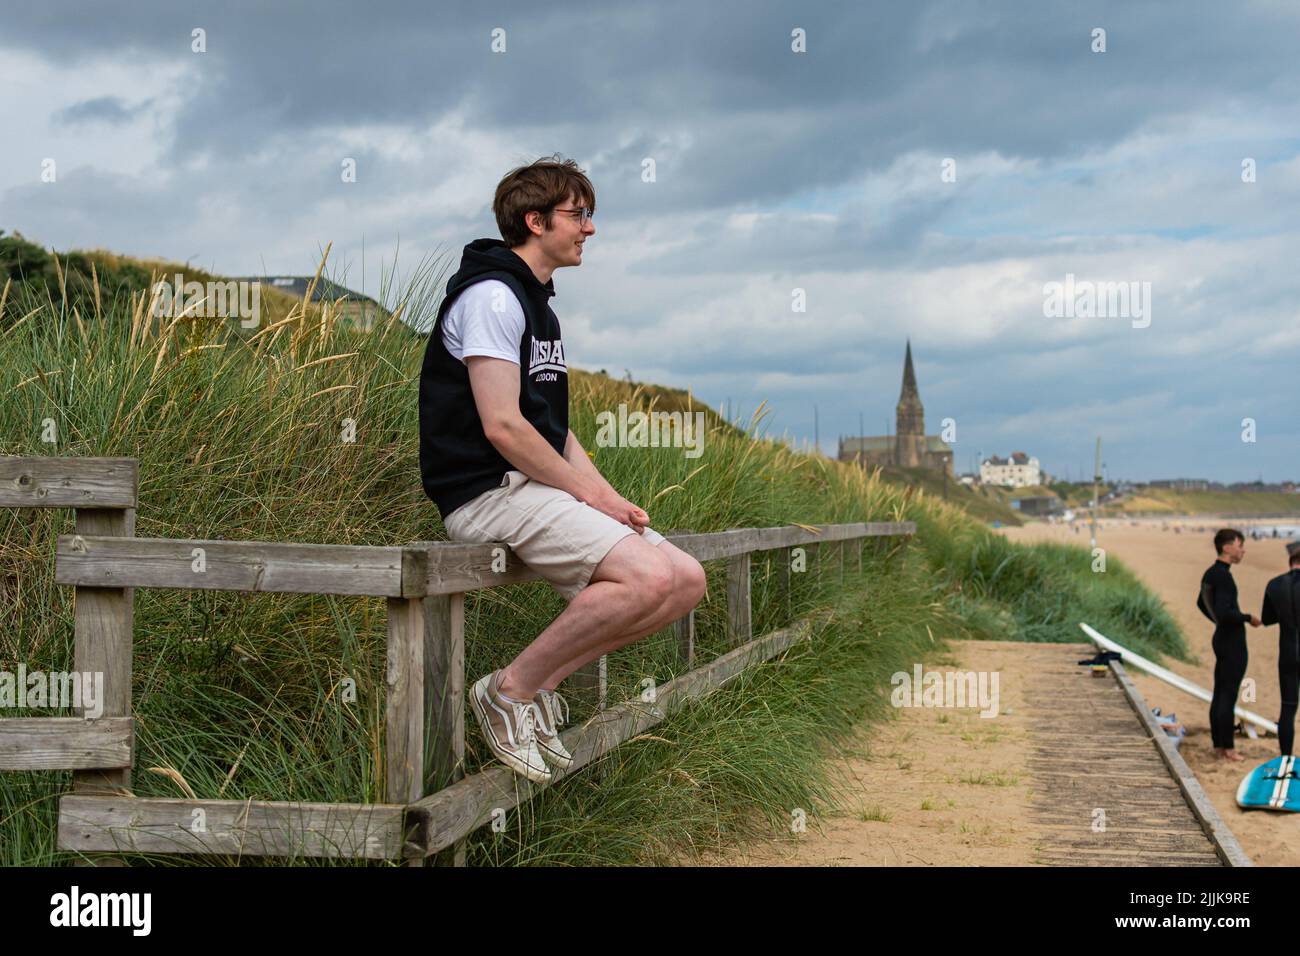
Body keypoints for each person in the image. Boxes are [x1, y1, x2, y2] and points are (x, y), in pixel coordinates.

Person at [418, 155, 707, 784]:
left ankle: (537, 690)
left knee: (684, 579)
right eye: (578, 215)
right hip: (485, 490)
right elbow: (503, 425)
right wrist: (585, 497)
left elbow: (550, 426)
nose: (590, 229)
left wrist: (607, 496)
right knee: (643, 578)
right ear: (535, 220)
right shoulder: (493, 297)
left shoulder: (538, 306)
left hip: (531, 487)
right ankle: (507, 693)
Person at [1196, 528, 1262, 761]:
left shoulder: (1212, 573)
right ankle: (1228, 748)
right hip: (1231, 640)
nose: (1243, 550)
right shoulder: (1222, 576)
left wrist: (1217, 620)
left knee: (1221, 692)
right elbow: (1225, 612)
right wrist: (1247, 617)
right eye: (1239, 545)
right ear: (1227, 547)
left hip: (1222, 637)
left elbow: (1201, 603)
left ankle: (1219, 745)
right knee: (1228, 694)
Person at [1262, 541, 1300, 755]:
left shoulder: (1274, 584)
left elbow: (1267, 618)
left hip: (1287, 651)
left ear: (1291, 561)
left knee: (1288, 707)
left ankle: (1286, 756)